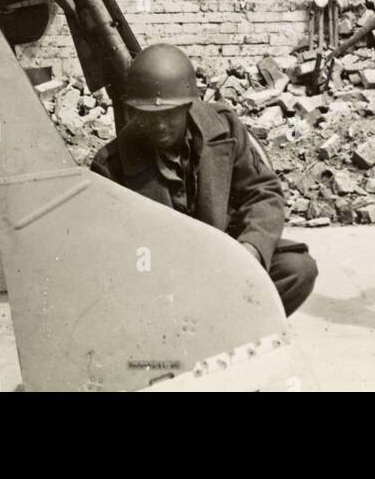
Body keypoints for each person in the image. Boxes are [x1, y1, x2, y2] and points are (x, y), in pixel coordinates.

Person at [91, 44, 317, 317]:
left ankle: (228, 334)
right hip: (159, 282)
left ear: (188, 106)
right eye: (149, 116)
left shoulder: (224, 128)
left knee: (296, 269)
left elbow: (262, 192)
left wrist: (251, 248)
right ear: (134, 113)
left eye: (168, 115)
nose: (160, 126)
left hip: (221, 262)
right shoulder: (110, 165)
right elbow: (108, 251)